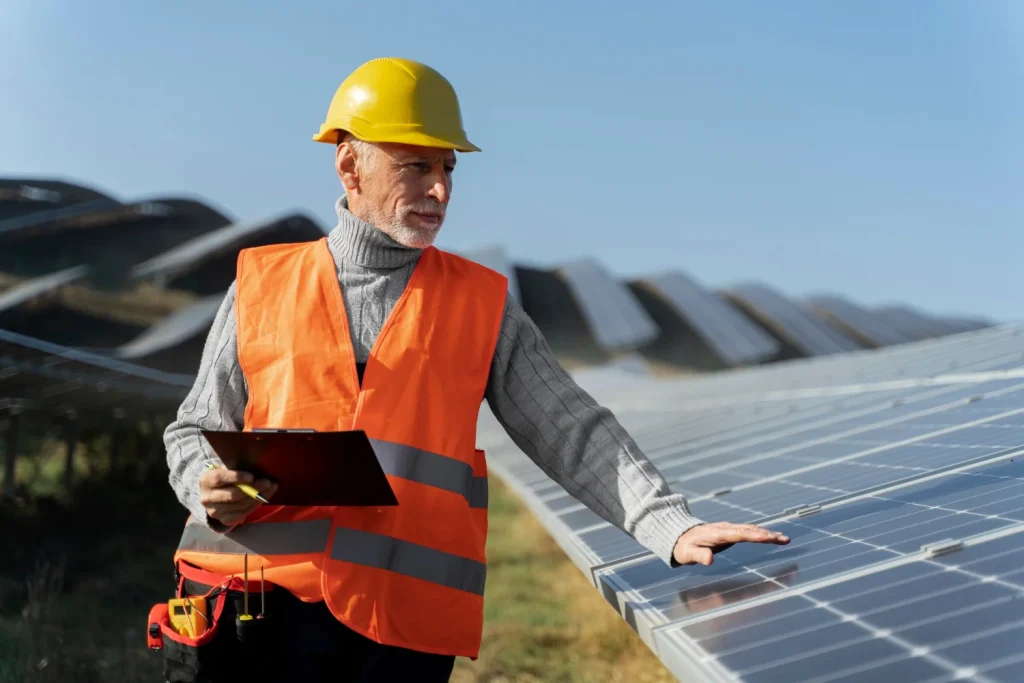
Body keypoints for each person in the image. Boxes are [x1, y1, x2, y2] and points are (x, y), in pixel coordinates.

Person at [162, 56, 789, 683]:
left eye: (448, 169)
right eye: (418, 167)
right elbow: (192, 431)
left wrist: (669, 527)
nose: (441, 190)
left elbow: (569, 427)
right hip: (256, 612)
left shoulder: (480, 303)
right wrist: (208, 486)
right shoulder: (262, 284)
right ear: (350, 163)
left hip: (398, 636)